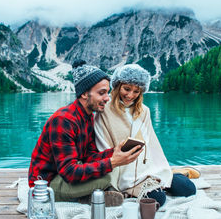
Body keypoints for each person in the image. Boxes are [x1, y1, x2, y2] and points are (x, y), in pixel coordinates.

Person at [28, 60, 143, 205]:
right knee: (106, 177)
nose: (107, 98)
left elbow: (89, 156)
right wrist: (112, 162)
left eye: (107, 92)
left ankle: (89, 195)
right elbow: (69, 172)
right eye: (101, 93)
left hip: (64, 174)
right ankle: (88, 198)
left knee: (110, 169)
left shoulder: (88, 116)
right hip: (46, 185)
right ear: (84, 94)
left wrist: (114, 153)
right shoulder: (64, 120)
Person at [95, 64, 196, 206]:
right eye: (127, 89)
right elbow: (102, 144)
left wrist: (161, 169)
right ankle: (135, 187)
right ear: (117, 86)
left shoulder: (144, 111)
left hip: (145, 167)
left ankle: (175, 173)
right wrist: (113, 180)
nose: (130, 95)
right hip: (122, 169)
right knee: (158, 199)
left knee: (188, 189)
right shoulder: (105, 110)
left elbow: (151, 143)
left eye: (136, 91)